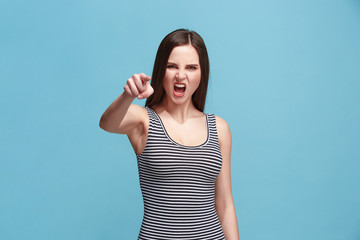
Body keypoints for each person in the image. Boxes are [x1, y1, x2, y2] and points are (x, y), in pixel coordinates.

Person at [99, 29, 239, 240]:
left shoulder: (219, 128)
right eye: (172, 66)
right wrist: (128, 95)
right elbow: (107, 123)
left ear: (202, 73)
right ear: (160, 70)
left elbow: (225, 202)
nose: (180, 75)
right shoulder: (143, 121)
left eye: (191, 67)